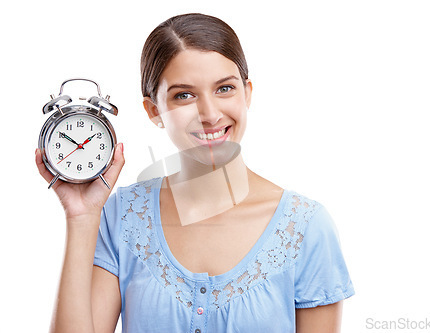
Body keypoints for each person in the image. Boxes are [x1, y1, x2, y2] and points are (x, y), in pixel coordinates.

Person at [36, 13, 354, 333]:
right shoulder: (121, 217)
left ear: (248, 93)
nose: (210, 114)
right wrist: (81, 217)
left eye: (225, 88)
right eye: (184, 95)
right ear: (154, 110)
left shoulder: (306, 227)